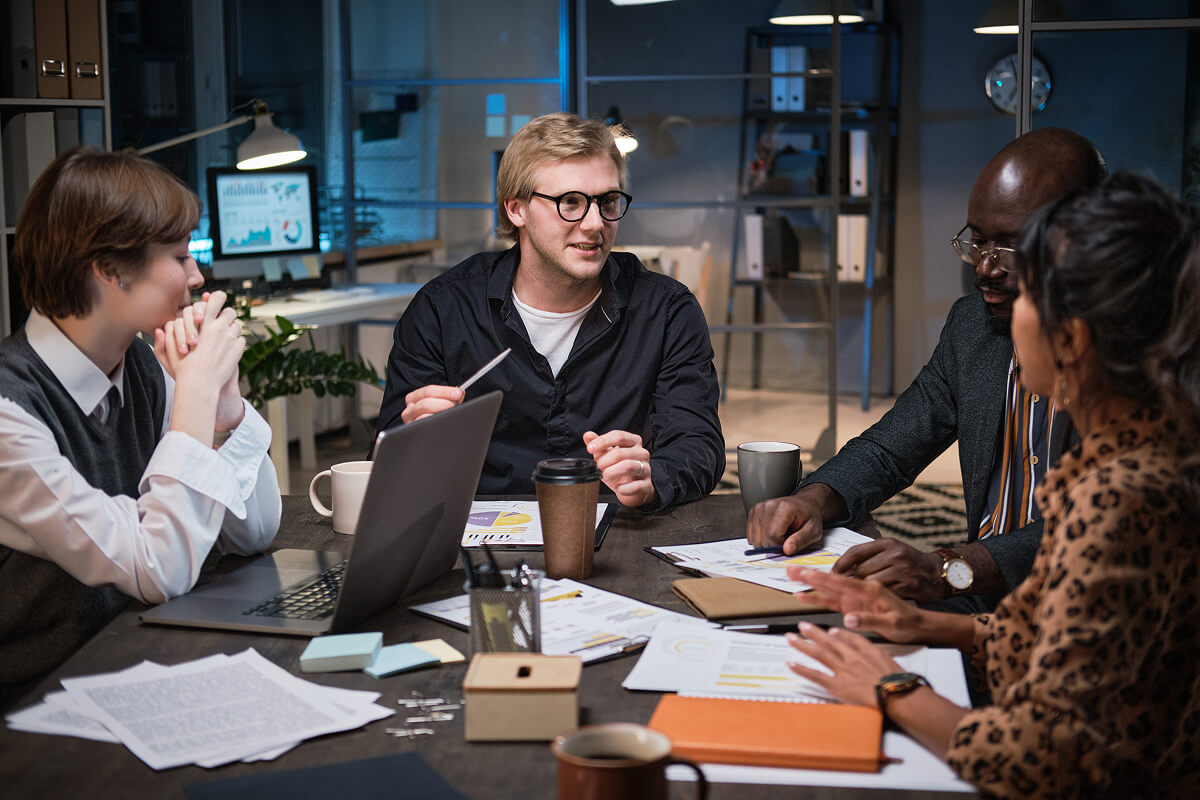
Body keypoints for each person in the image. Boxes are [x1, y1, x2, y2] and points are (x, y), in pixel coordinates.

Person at [782, 172, 1200, 798]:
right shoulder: (1122, 452)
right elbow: (1038, 630)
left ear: (1073, 337)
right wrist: (921, 624)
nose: (988, 272)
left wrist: (891, 689)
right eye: (976, 243)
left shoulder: (1119, 495)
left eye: (1022, 271)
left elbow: (1041, 758)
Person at [748, 128, 1106, 611]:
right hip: (980, 596)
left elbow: (1096, 531)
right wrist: (814, 499)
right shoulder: (973, 326)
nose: (984, 267)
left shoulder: (1127, 361)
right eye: (977, 242)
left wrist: (948, 568)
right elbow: (894, 444)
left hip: (1077, 610)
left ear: (1078, 244)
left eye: (1009, 247)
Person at [0, 147, 281, 709]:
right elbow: (161, 569)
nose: (197, 277)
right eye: (180, 256)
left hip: (134, 657)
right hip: (37, 704)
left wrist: (224, 412)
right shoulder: (11, 415)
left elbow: (253, 532)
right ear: (108, 268)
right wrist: (196, 397)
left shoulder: (144, 368)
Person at [375, 112, 724, 510]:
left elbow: (698, 446)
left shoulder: (666, 312)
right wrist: (412, 442)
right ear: (516, 210)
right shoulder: (443, 310)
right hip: (479, 550)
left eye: (607, 201)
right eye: (570, 202)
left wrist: (651, 479)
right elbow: (384, 464)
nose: (595, 223)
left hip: (620, 539)